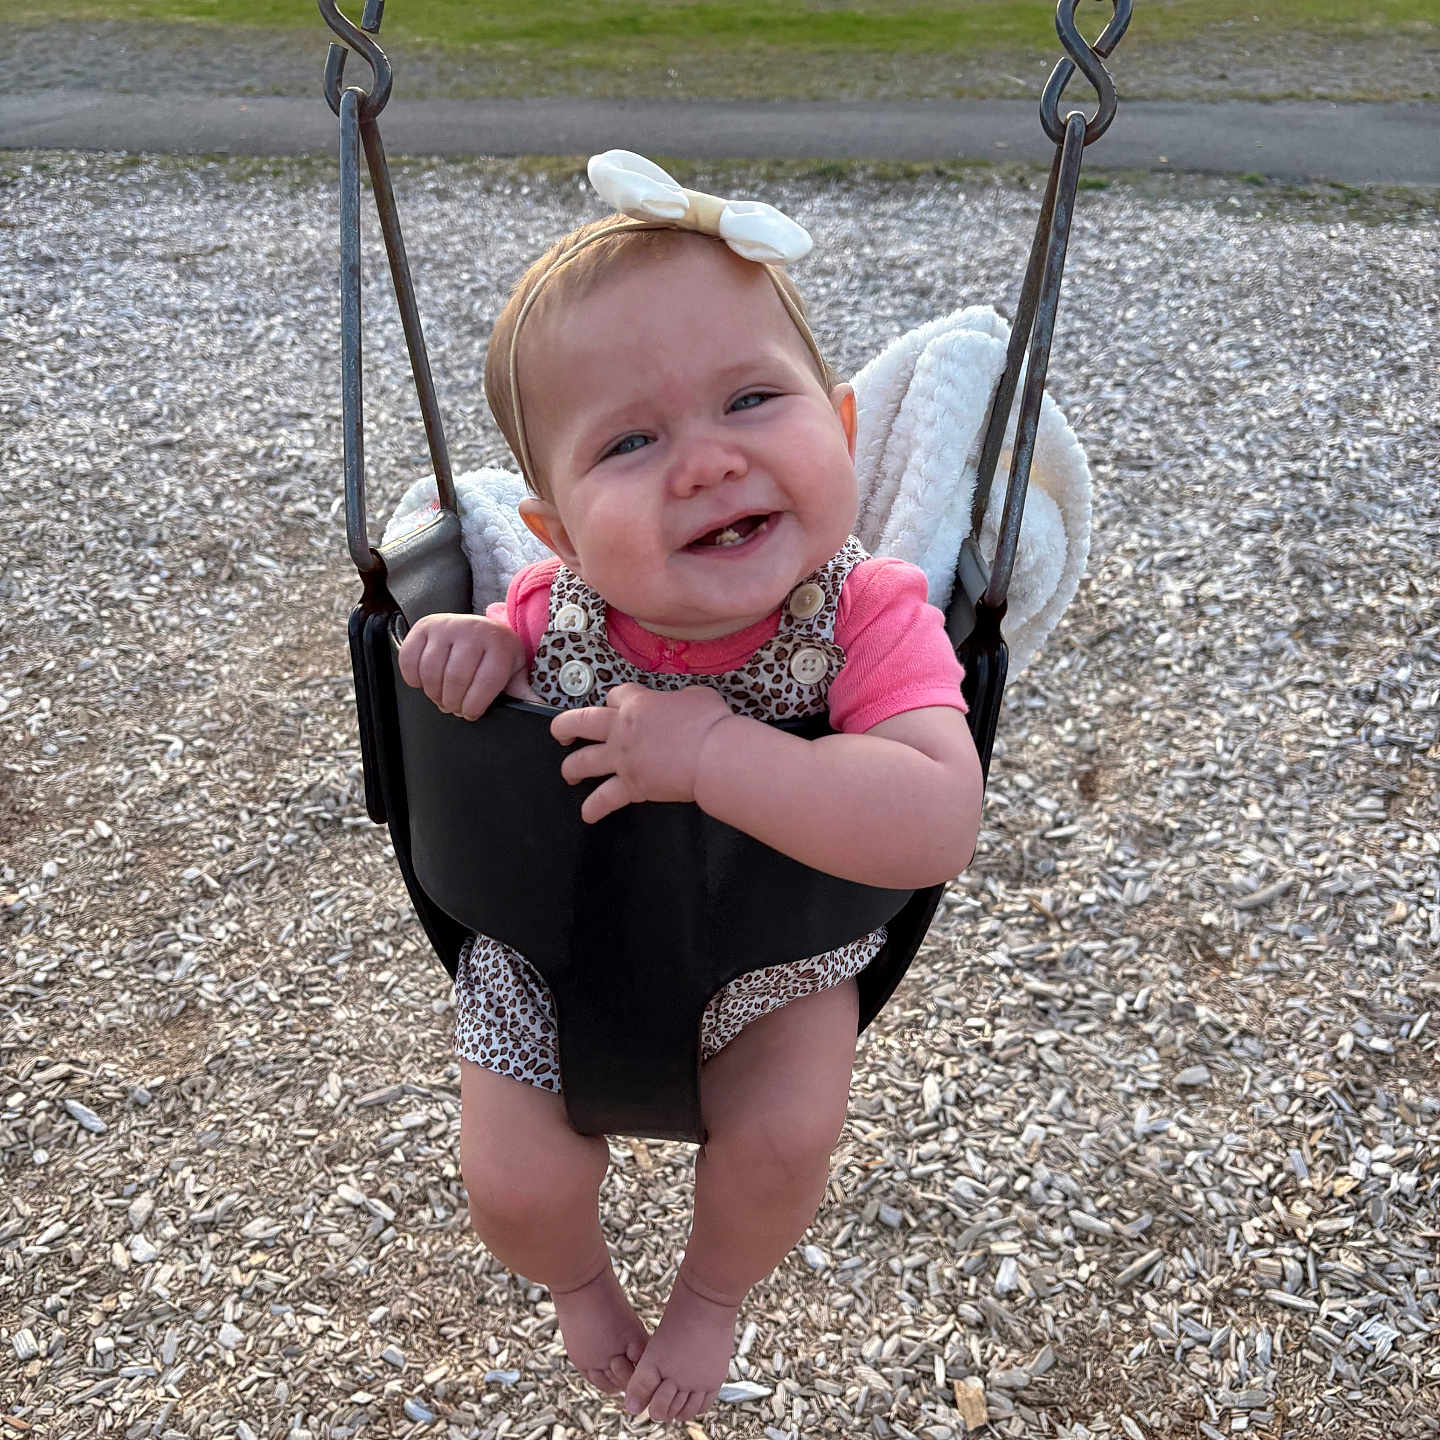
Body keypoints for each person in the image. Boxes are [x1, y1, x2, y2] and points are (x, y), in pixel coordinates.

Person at [396, 154, 984, 1424]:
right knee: (512, 1187)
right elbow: (513, 649)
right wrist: (481, 655)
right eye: (631, 440)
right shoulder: (557, 602)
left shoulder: (873, 612)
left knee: (782, 1140)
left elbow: (939, 814)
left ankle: (711, 1296)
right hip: (550, 949)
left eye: (751, 400)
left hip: (777, 963)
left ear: (836, 429)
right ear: (554, 531)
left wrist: (717, 754)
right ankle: (578, 1285)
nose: (708, 464)